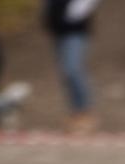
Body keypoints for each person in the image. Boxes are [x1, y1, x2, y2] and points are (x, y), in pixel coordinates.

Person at [43, 0, 100, 134]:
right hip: (59, 31)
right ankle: (76, 113)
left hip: (74, 31)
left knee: (72, 69)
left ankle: (84, 112)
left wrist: (67, 19)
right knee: (66, 72)